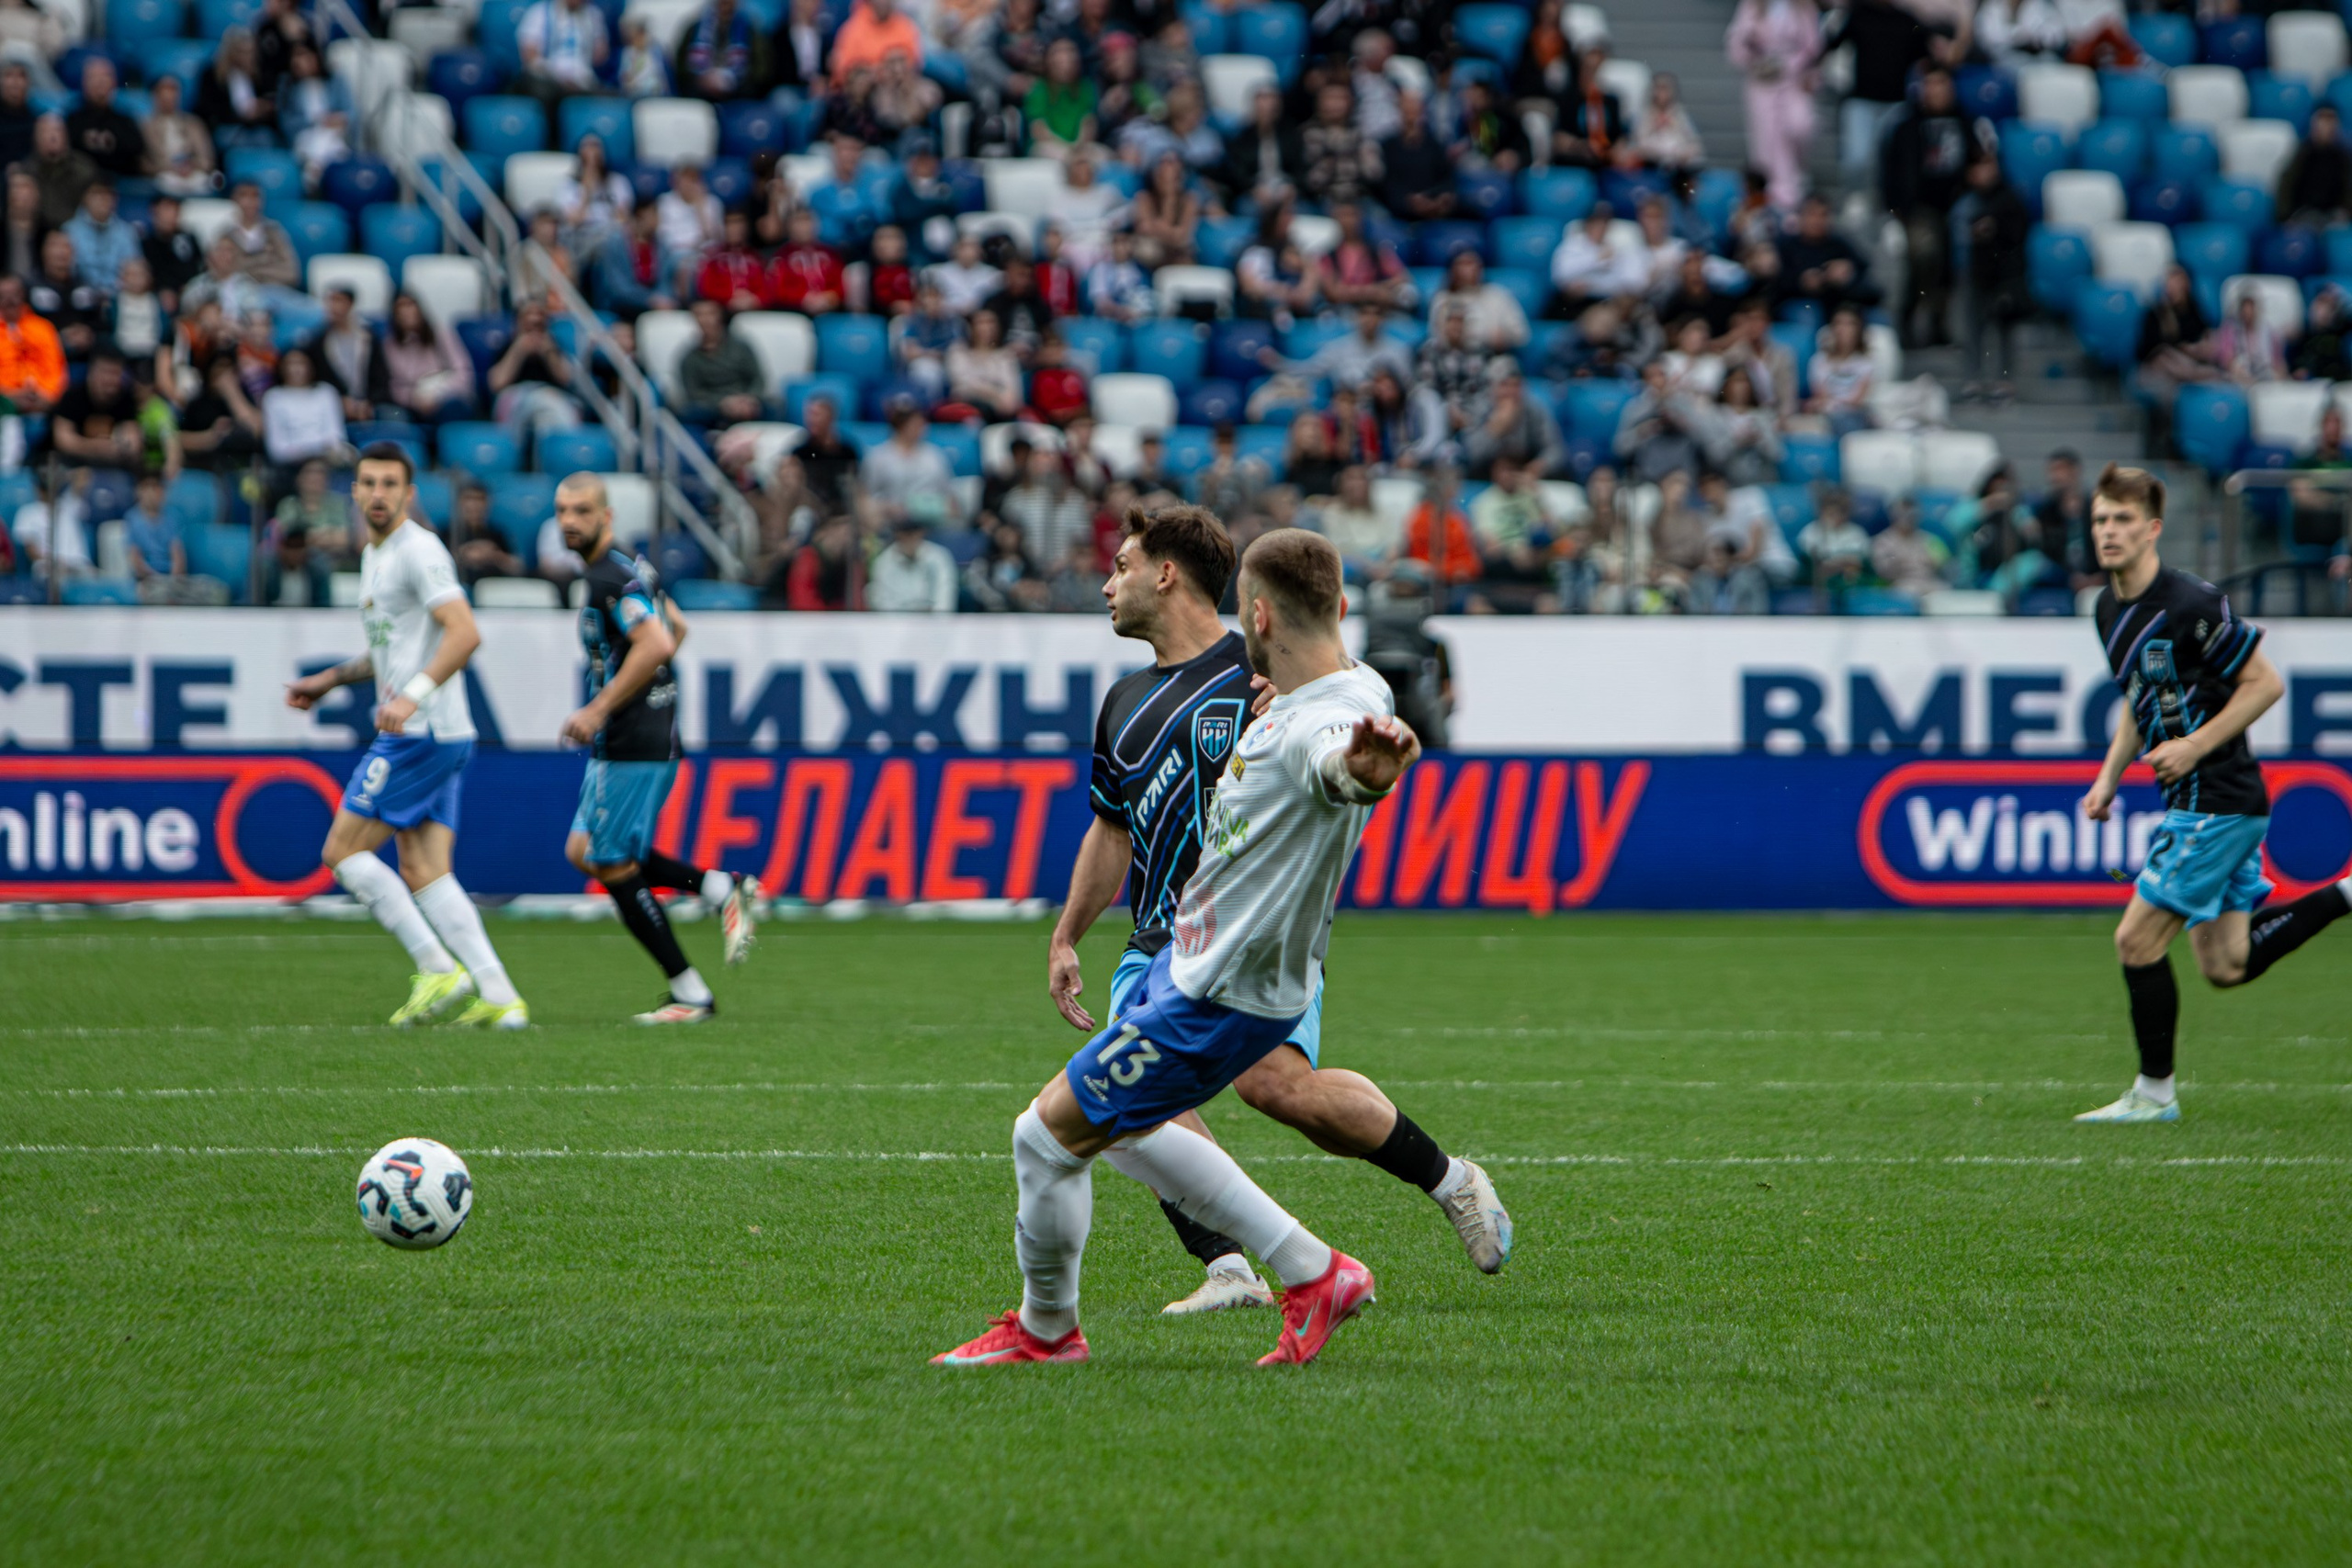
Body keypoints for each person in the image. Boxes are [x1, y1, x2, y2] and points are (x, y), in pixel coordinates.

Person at [936, 525, 1504, 1367]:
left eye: (1121, 565)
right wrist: (1068, 932)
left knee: (1051, 1136)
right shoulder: (1335, 682)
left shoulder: (1300, 711)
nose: (1106, 583)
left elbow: (1333, 762)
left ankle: (1058, 1328)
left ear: (1258, 613)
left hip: (1220, 983)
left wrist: (1367, 772)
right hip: (1183, 960)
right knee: (1124, 1124)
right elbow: (1119, 822)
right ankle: (1282, 1270)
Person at [2075, 464, 2349, 1123]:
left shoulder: (2192, 604)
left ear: (2153, 529)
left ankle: (2154, 1093)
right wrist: (2111, 774)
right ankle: (2346, 893)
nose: (2109, 532)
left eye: (2122, 520)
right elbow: (2138, 699)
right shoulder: (2107, 607)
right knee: (2226, 963)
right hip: (2208, 802)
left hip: (2217, 798)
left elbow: (2265, 682)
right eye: (2100, 520)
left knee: (2135, 941)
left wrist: (2195, 746)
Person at [281, 446, 528, 1029]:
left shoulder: (418, 551)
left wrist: (412, 694)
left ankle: (436, 967)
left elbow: (464, 634)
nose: (378, 493)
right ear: (354, 491)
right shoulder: (377, 554)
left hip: (420, 731)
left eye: (390, 483)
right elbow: (394, 647)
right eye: (367, 482)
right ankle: (499, 995)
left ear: (409, 492)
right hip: (437, 731)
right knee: (424, 870)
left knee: (342, 852)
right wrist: (330, 680)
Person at [555, 472, 759, 1022]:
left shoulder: (605, 579)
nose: (569, 521)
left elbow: (660, 640)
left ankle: (690, 993)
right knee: (586, 852)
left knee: (610, 860)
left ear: (606, 515)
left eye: (581, 511)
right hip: (638, 735)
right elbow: (677, 627)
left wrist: (601, 706)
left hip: (631, 740)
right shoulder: (632, 565)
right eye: (562, 511)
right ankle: (720, 888)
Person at [1882, 67, 1986, 349]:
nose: (1935, 91)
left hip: (1956, 207)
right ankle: (1911, 312)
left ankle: (1938, 322)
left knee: (1951, 267)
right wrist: (1894, 207)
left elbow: (1981, 160)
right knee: (1925, 256)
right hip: (1918, 208)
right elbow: (1890, 169)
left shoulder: (1966, 123)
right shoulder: (1906, 126)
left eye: (1941, 84)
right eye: (1930, 85)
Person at [1727, 0, 1819, 210]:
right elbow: (1737, 44)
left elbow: (1813, 45)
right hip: (1763, 79)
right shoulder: (1752, 6)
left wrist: (1794, 66)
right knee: (1767, 141)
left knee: (1800, 126)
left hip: (1793, 79)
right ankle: (1778, 198)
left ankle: (1796, 176)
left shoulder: (1803, 6)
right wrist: (1750, 44)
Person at [677, 297, 769, 425]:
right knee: (690, 413)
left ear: (720, 315)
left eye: (710, 313)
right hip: (713, 408)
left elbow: (758, 378)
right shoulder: (689, 357)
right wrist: (723, 403)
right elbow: (694, 392)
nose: (705, 319)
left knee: (772, 408)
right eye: (699, 315)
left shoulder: (741, 346)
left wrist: (750, 399)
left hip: (746, 402)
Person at [516, 0, 611, 112]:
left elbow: (600, 57)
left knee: (611, 100)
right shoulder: (539, 12)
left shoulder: (594, 15)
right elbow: (530, 57)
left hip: (582, 82)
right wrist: (559, 78)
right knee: (544, 92)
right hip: (549, 80)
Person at [65, 57, 143, 181]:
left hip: (119, 189)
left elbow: (136, 154)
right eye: (94, 77)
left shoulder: (126, 121)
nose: (100, 82)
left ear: (114, 83)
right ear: (84, 83)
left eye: (105, 76)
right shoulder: (71, 120)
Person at [141, 72, 216, 198]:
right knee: (166, 182)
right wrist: (171, 168)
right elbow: (144, 163)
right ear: (155, 95)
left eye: (173, 90)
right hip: (165, 176)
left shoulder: (194, 124)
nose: (169, 95)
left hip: (194, 175)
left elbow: (207, 159)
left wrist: (192, 166)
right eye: (164, 90)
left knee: (207, 182)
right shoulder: (146, 126)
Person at [2278, 104, 2352, 228]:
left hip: (2334, 216)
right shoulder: (2302, 154)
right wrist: (2286, 216)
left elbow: (2348, 188)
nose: (2326, 125)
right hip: (2304, 214)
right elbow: (2287, 183)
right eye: (2322, 119)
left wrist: (2347, 212)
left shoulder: (2343, 157)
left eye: (2330, 119)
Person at [867, 514, 957, 610]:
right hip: (896, 622)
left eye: (914, 536)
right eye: (905, 536)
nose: (910, 541)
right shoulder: (883, 563)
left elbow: (944, 597)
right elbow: (883, 603)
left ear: (921, 534)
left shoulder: (939, 557)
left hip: (932, 621)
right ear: (898, 536)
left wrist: (935, 620)